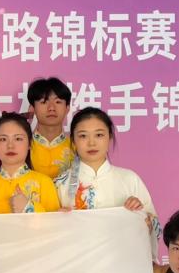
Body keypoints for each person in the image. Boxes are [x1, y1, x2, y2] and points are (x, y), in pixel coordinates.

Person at [55, 106, 159, 252]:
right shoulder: (61, 184)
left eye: (99, 135)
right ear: (73, 141)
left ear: (109, 137)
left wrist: (143, 218)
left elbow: (155, 229)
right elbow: (48, 237)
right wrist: (57, 221)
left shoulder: (130, 179)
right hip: (78, 262)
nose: (91, 143)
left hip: (122, 260)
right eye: (83, 136)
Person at [0, 112, 60, 214]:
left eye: (18, 139)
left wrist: (28, 207)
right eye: (3, 139)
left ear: (29, 144)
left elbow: (55, 223)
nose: (10, 145)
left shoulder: (44, 183)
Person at [27, 76, 74, 180]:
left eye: (58, 102)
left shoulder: (77, 147)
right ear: (32, 109)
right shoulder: (24, 146)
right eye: (44, 102)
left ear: (67, 108)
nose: (51, 108)